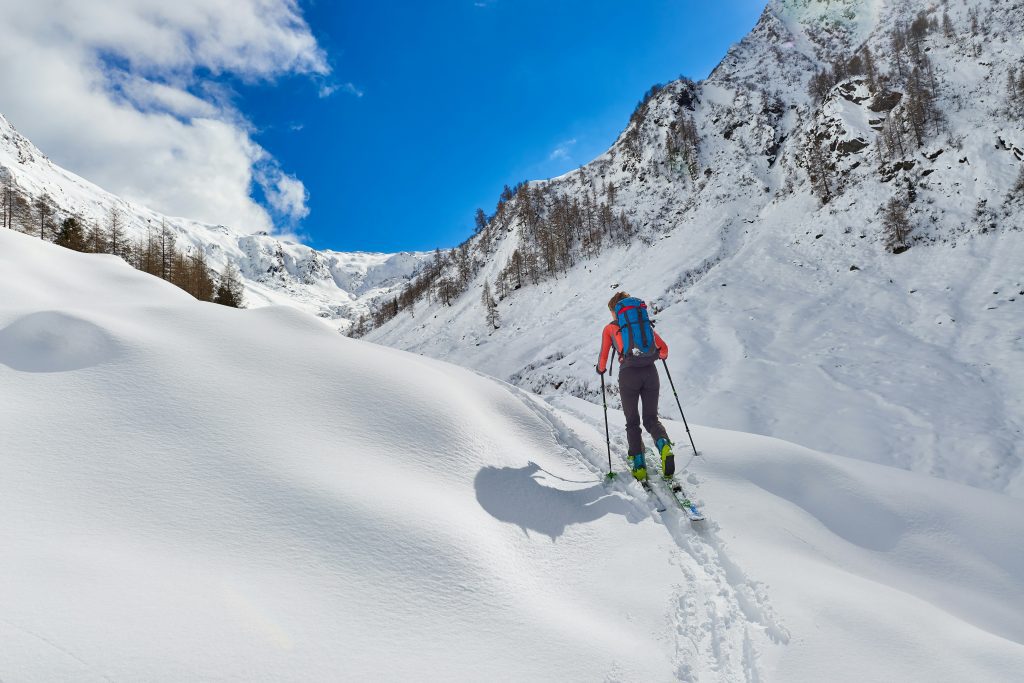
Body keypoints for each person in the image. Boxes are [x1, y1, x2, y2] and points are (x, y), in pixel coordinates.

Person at [596, 291, 674, 481]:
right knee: (651, 418)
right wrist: (657, 356)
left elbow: (603, 359)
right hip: (650, 373)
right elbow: (664, 350)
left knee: (632, 421)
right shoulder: (643, 326)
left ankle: (639, 464)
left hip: (628, 375)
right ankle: (664, 445)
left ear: (615, 311)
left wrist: (600, 369)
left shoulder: (609, 329)